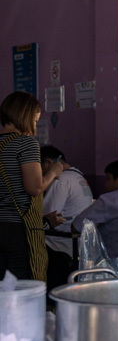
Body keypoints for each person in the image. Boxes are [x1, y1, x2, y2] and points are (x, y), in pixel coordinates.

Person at [0, 92, 64, 281]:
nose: (34, 126)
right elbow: (34, 188)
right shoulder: (25, 143)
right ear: (25, 116)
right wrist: (53, 172)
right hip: (17, 230)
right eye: (35, 120)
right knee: (22, 287)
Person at [40, 145, 93, 285]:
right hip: (78, 244)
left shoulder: (60, 180)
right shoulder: (78, 176)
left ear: (49, 163)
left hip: (59, 244)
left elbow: (48, 215)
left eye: (39, 168)